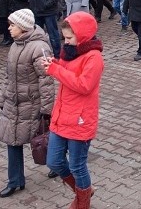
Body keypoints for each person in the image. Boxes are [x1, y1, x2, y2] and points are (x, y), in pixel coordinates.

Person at [42, 11, 104, 208]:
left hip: (80, 119)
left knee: (77, 166)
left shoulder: (94, 57)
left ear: (83, 35)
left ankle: (82, 201)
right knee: (54, 161)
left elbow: (84, 85)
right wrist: (57, 63)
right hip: (62, 116)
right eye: (65, 37)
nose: (66, 42)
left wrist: (56, 70)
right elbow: (69, 72)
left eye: (69, 37)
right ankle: (84, 190)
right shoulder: (70, 52)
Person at [0, 8, 55, 198]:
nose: (9, 28)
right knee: (12, 140)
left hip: (32, 103)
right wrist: (4, 97)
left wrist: (47, 109)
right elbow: (8, 77)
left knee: (41, 139)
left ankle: (57, 164)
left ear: (23, 27)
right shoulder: (15, 45)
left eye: (12, 25)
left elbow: (46, 80)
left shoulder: (39, 47)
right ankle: (15, 181)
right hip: (14, 102)